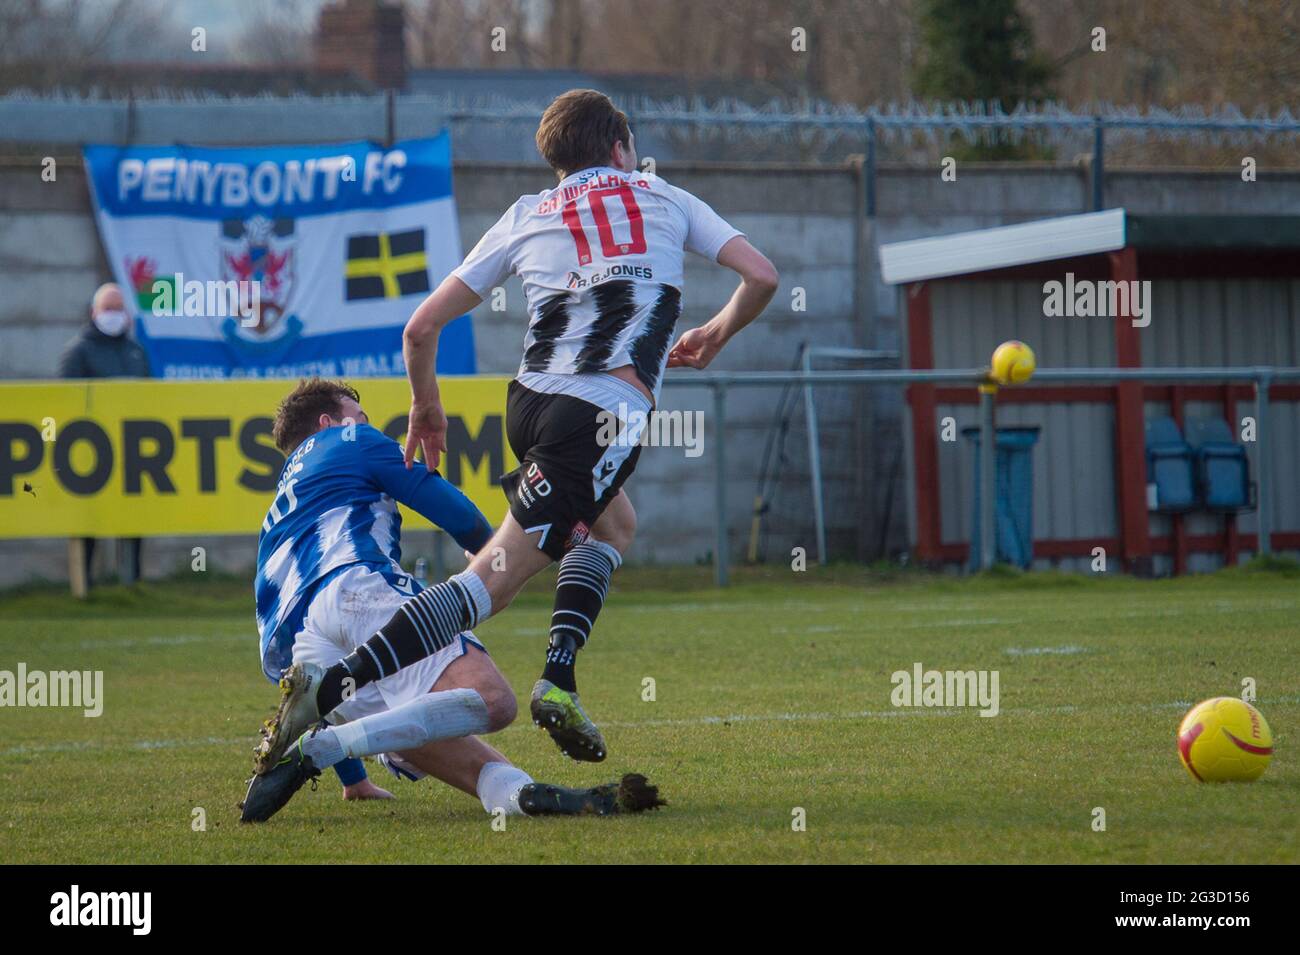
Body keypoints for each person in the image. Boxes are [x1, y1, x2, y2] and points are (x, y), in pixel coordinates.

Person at [254, 87, 777, 770]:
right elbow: (762, 276)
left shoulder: (528, 212)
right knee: (489, 584)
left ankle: (558, 679)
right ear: (622, 148)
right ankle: (332, 688)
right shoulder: (666, 197)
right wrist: (716, 330)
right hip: (596, 417)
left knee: (615, 524)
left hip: (528, 406)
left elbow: (420, 328)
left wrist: (427, 407)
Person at [241, 378, 661, 822]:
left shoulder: (279, 511)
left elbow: (310, 685)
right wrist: (494, 560)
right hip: (354, 590)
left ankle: (517, 793)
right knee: (493, 701)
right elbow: (442, 502)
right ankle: (325, 747)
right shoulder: (351, 438)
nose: (366, 424)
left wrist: (354, 781)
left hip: (293, 641)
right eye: (359, 416)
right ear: (329, 422)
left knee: (412, 727)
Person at [59, 283, 151, 589]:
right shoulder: (78, 351)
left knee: (134, 517)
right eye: (108, 308)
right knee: (89, 519)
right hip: (90, 452)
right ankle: (85, 583)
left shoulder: (136, 351)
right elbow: (65, 401)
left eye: (118, 308)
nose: (113, 315)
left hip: (131, 450)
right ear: (94, 312)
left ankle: (132, 582)